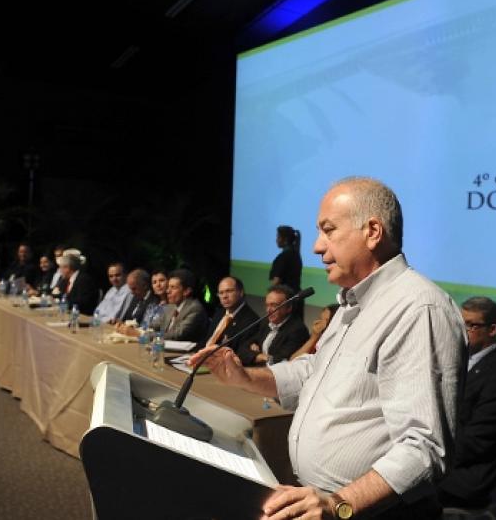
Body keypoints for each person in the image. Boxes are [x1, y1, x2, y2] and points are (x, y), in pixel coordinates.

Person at [190, 177, 465, 519]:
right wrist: (244, 376)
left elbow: (424, 447)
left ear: (373, 231)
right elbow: (313, 371)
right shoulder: (353, 304)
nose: (317, 247)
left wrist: (338, 505)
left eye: (329, 230)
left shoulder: (418, 308)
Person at [437, 297, 496, 511]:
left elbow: (475, 444)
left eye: (471, 325)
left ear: (492, 329)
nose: (461, 329)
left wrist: (426, 455)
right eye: (460, 321)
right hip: (442, 450)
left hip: (467, 473)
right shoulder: (456, 359)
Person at [236, 284, 309, 367]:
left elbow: (280, 361)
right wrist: (259, 356)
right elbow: (242, 348)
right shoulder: (265, 322)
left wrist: (255, 355)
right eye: (267, 305)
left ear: (288, 308)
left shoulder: (297, 330)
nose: (268, 310)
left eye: (274, 305)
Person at [204, 276, 260, 351]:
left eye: (229, 291)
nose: (224, 296)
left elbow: (239, 351)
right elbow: (206, 340)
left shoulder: (252, 320)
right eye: (221, 293)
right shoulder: (219, 313)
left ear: (241, 292)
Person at [161, 268, 208, 346]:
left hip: (186, 354)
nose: (168, 291)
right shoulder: (171, 306)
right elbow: (156, 324)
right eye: (168, 287)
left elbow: (177, 334)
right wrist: (140, 331)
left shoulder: (195, 308)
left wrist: (149, 335)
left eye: (173, 287)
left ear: (186, 291)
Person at [270, 225, 302, 291]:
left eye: (278, 237)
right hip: (295, 296)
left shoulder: (283, 257)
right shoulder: (296, 255)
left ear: (285, 240)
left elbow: (276, 281)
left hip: (285, 297)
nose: (276, 240)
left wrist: (270, 294)